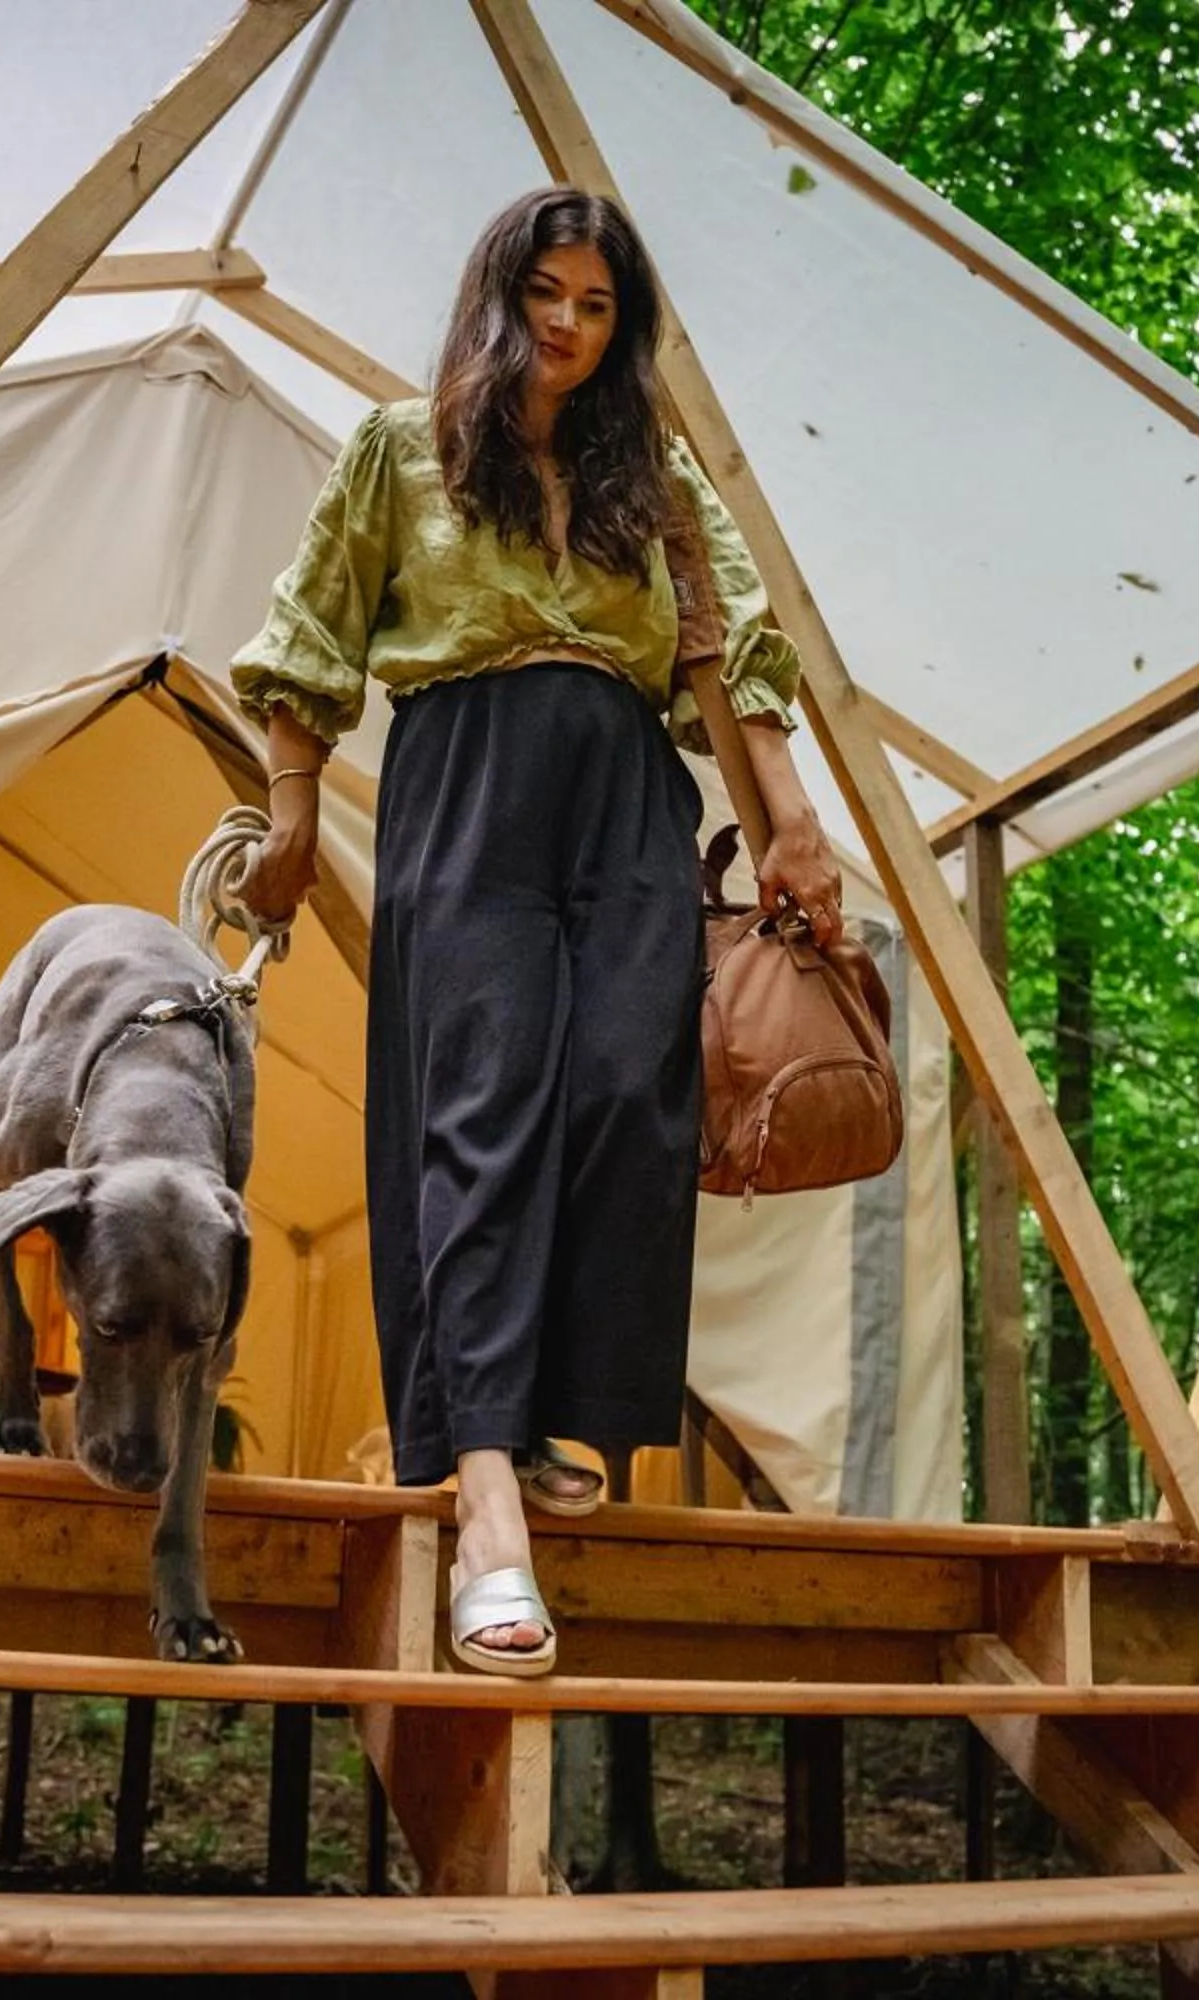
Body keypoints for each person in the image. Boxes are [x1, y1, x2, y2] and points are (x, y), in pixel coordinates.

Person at [232, 187, 840, 1676]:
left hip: (627, 789)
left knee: (634, 1096)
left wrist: (795, 827)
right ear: (497, 297)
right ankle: (488, 1498)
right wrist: (294, 817)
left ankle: (550, 1397)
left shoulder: (657, 477)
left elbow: (730, 658)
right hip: (470, 786)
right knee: (481, 1113)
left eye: (597, 306)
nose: (568, 328)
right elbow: (305, 640)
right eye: (547, 296)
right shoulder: (402, 448)